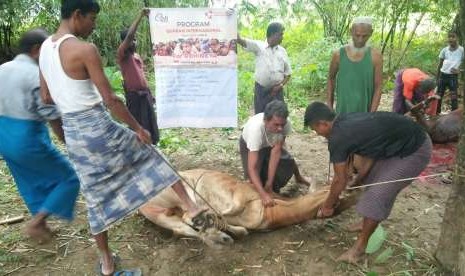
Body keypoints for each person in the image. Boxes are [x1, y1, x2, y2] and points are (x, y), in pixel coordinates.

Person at [39, 1, 205, 275]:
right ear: (78, 15)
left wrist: (68, 104)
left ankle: (106, 265)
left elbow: (46, 97)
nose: (94, 25)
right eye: (92, 19)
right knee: (152, 155)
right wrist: (139, 129)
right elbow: (111, 100)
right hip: (97, 124)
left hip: (75, 133)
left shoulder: (45, 48)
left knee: (94, 197)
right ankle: (193, 208)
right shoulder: (84, 50)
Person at [304, 102, 432, 263]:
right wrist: (359, 179)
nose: (317, 134)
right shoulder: (344, 121)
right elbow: (371, 153)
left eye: (315, 129)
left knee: (377, 194)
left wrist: (328, 205)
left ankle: (359, 249)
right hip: (399, 144)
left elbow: (340, 179)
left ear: (323, 123)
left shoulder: (338, 137)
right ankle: (367, 223)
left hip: (415, 148)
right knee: (374, 180)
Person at [0, 28, 80, 243]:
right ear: (37, 50)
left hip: (3, 136)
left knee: (28, 181)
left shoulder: (3, 68)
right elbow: (51, 115)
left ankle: (41, 224)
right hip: (25, 137)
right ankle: (37, 222)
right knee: (69, 178)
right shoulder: (35, 75)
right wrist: (69, 143)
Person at [240, 100, 311, 207]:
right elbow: (252, 168)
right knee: (253, 183)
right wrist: (263, 194)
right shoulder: (255, 131)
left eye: (282, 124)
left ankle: (299, 177)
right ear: (265, 121)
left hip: (271, 141)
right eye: (276, 124)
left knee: (287, 161)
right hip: (251, 146)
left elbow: (276, 151)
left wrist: (269, 184)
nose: (280, 128)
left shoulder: (284, 124)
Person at [117, 8, 159, 145]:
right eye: (132, 40)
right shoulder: (122, 54)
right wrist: (140, 16)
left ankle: (151, 149)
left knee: (150, 125)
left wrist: (150, 94)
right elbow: (129, 36)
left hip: (145, 96)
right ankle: (138, 151)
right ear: (125, 42)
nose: (134, 42)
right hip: (134, 97)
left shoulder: (136, 56)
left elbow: (142, 77)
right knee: (138, 127)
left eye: (135, 40)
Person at [327, 16, 383, 114]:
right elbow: (331, 78)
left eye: (364, 36)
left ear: (371, 33)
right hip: (342, 114)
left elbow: (378, 86)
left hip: (364, 115)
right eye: (357, 35)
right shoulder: (339, 55)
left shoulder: (376, 57)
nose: (360, 40)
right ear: (351, 31)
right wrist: (329, 106)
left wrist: (372, 114)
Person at [237, 22, 292, 114]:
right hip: (261, 90)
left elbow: (288, 74)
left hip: (277, 91)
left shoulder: (283, 51)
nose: (282, 37)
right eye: (281, 34)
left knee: (279, 116)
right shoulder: (259, 46)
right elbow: (239, 40)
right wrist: (231, 21)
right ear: (273, 34)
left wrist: (280, 86)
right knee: (260, 116)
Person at [436, 30, 464, 114]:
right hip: (443, 76)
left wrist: (459, 70)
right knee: (438, 96)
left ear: (457, 38)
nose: (451, 39)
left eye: (453, 36)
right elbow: (439, 65)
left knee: (454, 97)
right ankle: (436, 114)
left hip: (453, 77)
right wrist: (437, 78)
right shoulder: (444, 50)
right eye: (449, 37)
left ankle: (454, 116)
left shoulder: (461, 50)